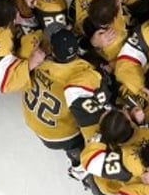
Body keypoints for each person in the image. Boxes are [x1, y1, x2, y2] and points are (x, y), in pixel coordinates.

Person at [23, 23, 113, 180]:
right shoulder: (83, 70)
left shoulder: (40, 62)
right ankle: (78, 165)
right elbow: (99, 83)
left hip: (33, 121)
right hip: (62, 135)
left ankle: (74, 156)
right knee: (84, 127)